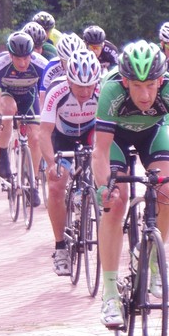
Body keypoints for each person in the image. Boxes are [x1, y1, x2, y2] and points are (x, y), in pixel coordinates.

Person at [93, 40, 169, 329]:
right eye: (136, 86)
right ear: (125, 82)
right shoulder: (111, 90)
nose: (145, 95)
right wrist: (104, 188)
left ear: (160, 80)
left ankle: (153, 258)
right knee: (116, 201)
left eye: (150, 86)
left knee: (166, 189)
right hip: (117, 138)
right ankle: (110, 294)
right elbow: (100, 151)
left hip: (154, 132)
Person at [38, 49, 101, 276]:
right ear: (68, 80)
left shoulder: (103, 91)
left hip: (90, 135)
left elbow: (110, 131)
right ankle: (60, 248)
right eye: (79, 86)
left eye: (90, 86)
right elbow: (44, 133)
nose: (85, 92)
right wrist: (51, 164)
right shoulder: (57, 91)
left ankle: (87, 201)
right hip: (61, 138)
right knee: (56, 185)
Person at [0, 31, 48, 200]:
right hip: (8, 96)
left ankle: (32, 182)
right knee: (8, 110)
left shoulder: (42, 64)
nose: (22, 63)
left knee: (35, 138)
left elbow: (46, 96)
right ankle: (3, 156)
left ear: (32, 54)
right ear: (10, 55)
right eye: (18, 58)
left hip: (29, 98)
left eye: (26, 58)